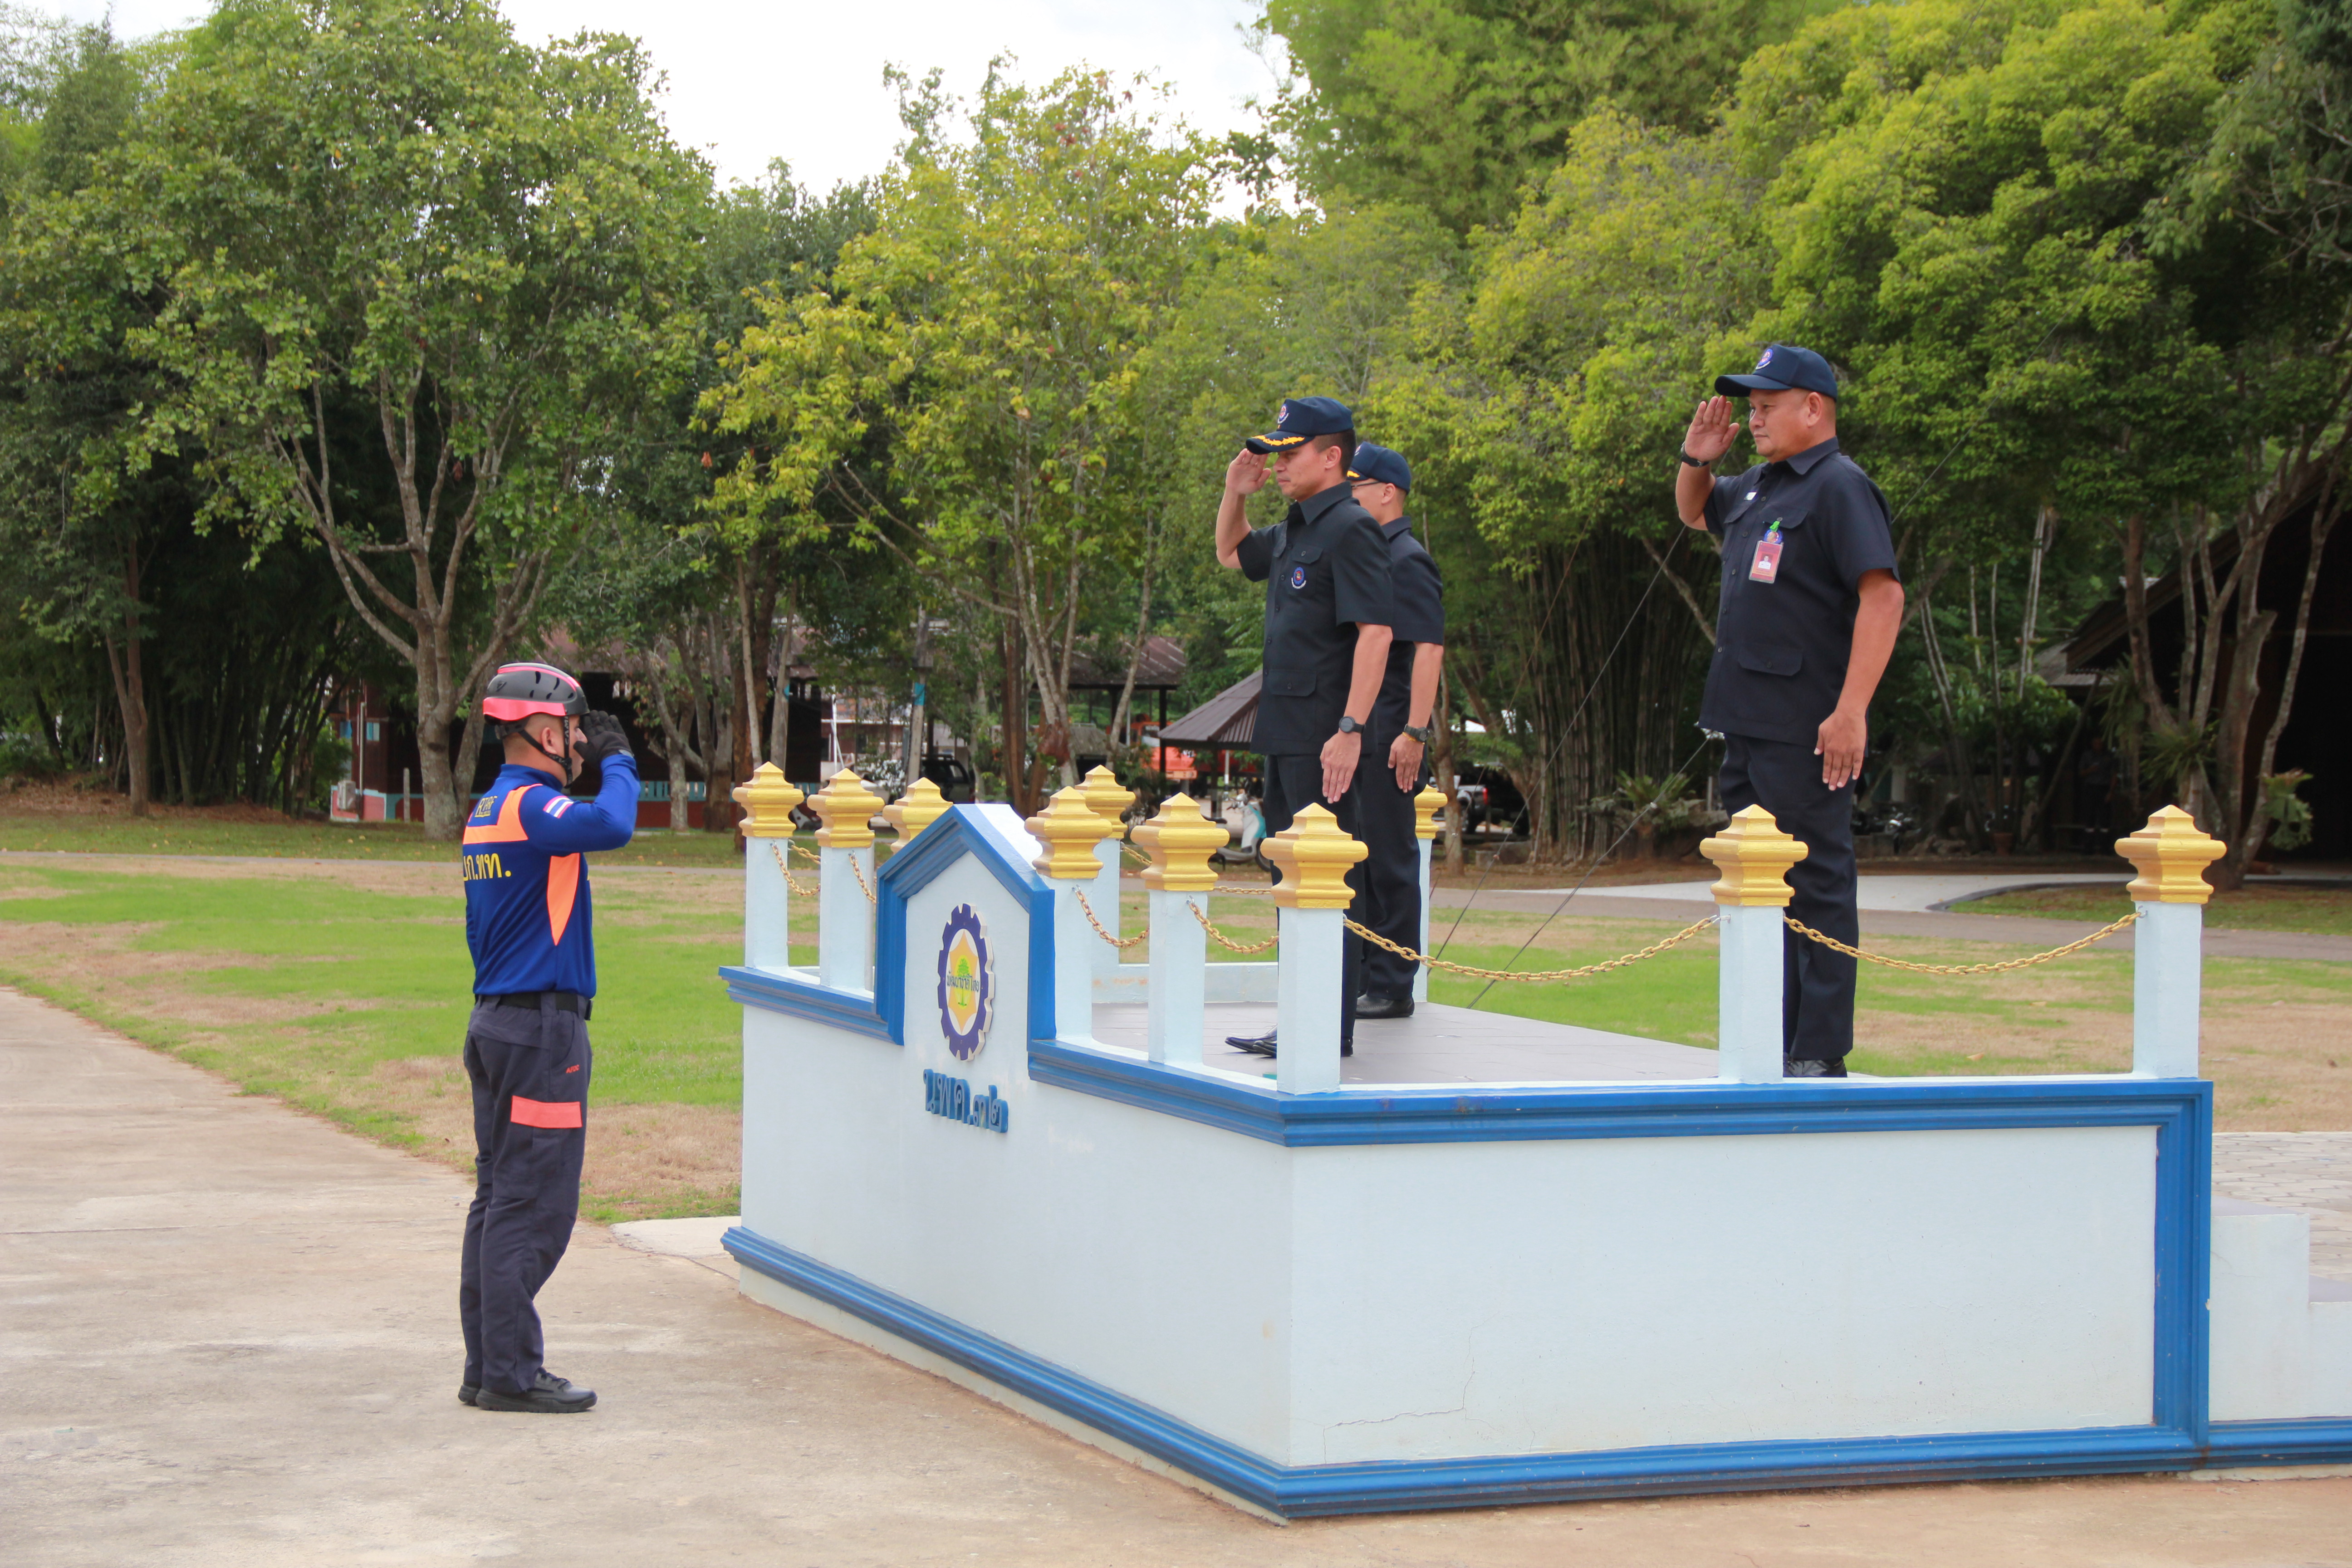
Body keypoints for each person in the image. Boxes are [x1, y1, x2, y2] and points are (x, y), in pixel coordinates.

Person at [1676, 344, 1904, 1077]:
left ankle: (1818, 1049)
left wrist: (1851, 711)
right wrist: (1696, 458)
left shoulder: (1840, 487)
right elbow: (1694, 511)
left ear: (1813, 407)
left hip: (1807, 727)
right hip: (1745, 722)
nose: (1754, 418)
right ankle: (1772, 1036)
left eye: (1767, 405)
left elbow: (1883, 597)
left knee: (1816, 883)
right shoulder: (1756, 486)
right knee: (1759, 884)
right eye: (1751, 406)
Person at [457, 662, 637, 1412]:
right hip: (539, 1033)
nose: (580, 742)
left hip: (498, 1025)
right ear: (540, 732)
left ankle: (489, 1365)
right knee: (533, 1206)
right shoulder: (533, 806)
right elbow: (614, 824)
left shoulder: (488, 810)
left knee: (500, 1199)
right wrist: (620, 761)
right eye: (571, 730)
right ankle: (508, 1373)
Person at [1213, 397, 1395, 1059]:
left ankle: (1327, 1028)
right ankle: (1299, 1021)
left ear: (1332, 456)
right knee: (1290, 880)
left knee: (1325, 882)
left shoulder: (1351, 528)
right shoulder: (1298, 526)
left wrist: (1350, 728)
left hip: (1326, 738)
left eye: (1291, 453)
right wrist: (1236, 493)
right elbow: (1231, 552)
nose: (1280, 465)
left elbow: (1377, 633)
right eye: (1277, 454)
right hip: (1286, 732)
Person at [1342, 442, 1445, 1020]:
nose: (1349, 497)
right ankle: (1361, 975)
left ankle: (1392, 983)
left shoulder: (1407, 558)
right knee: (1357, 861)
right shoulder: (1368, 555)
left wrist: (1415, 732)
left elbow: (1429, 648)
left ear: (1387, 492)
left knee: (1390, 860)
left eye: (1356, 488)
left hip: (1391, 732)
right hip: (1362, 730)